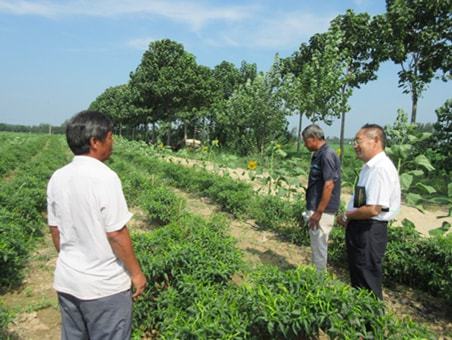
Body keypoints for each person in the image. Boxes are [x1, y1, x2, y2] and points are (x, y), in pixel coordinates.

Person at [47, 110, 147, 339]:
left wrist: (74, 263)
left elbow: (55, 230)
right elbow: (116, 233)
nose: (113, 143)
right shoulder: (105, 177)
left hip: (67, 282)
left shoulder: (58, 177)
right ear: (95, 141)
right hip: (104, 288)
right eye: (110, 137)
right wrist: (136, 274)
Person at [336, 123, 400, 300]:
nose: (355, 145)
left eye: (358, 141)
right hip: (361, 228)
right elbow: (362, 201)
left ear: (376, 140)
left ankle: (371, 325)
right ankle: (361, 322)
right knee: (359, 278)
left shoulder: (380, 169)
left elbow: (373, 209)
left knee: (367, 281)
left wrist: (346, 216)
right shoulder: (368, 168)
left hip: (369, 231)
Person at [302, 124, 341, 271]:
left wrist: (318, 212)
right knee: (316, 246)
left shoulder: (327, 155)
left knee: (319, 248)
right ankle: (316, 280)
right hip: (317, 208)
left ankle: (318, 285)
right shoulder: (319, 154)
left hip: (322, 211)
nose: (305, 144)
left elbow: (329, 185)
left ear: (313, 138)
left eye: (305, 141)